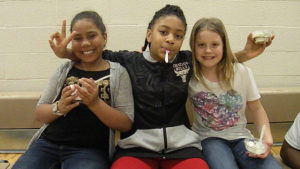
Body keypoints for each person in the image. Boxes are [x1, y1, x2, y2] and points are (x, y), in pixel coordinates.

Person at [50, 5, 274, 169]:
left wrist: (244, 54)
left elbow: (212, 57)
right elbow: (91, 53)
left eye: (178, 36)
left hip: (183, 149)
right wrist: (66, 53)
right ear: (149, 34)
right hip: (136, 148)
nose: (170, 39)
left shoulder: (186, 61)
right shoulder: (128, 60)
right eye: (163, 32)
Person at [12, 11, 134, 169]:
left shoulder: (118, 73)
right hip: (48, 144)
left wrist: (95, 103)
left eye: (91, 36)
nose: (85, 43)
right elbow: (40, 113)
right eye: (77, 38)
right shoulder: (64, 69)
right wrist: (59, 107)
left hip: (90, 150)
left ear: (104, 38)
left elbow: (126, 123)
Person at [188, 17, 281, 169]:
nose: (208, 50)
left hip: (242, 137)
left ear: (224, 45)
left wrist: (267, 137)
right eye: (201, 45)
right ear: (193, 46)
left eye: (215, 44)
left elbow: (256, 108)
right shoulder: (190, 76)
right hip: (209, 139)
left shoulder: (242, 72)